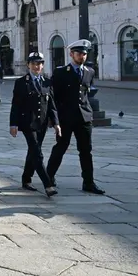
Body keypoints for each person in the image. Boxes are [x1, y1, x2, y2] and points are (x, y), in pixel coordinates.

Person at [45, 39, 105, 194]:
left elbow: (85, 94)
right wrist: (54, 118)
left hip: (84, 117)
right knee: (61, 147)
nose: (82, 56)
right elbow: (53, 96)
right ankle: (49, 177)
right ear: (71, 54)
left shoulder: (90, 72)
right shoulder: (61, 72)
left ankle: (89, 182)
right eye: (79, 53)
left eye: (84, 54)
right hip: (66, 118)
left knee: (86, 150)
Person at [9, 52, 60, 197]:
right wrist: (13, 124)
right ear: (28, 65)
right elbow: (16, 105)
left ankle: (26, 178)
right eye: (34, 63)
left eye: (39, 63)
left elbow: (52, 105)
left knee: (33, 151)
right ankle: (47, 184)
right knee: (37, 152)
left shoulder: (47, 82)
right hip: (27, 123)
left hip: (42, 123)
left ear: (43, 65)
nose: (37, 66)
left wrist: (56, 123)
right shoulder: (21, 82)